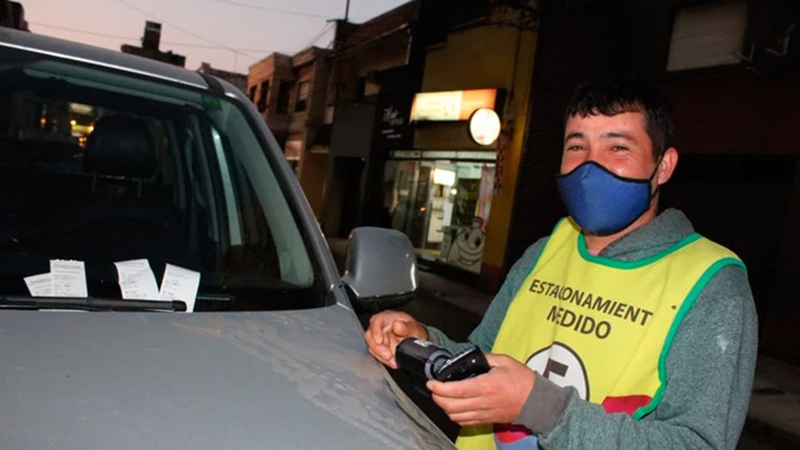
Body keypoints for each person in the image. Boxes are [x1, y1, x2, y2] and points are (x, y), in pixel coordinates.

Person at [364, 76, 758, 450]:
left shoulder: (710, 284)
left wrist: (542, 408)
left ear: (664, 166)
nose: (590, 166)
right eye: (576, 146)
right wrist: (425, 345)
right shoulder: (545, 252)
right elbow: (481, 359)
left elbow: (697, 443)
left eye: (618, 148)